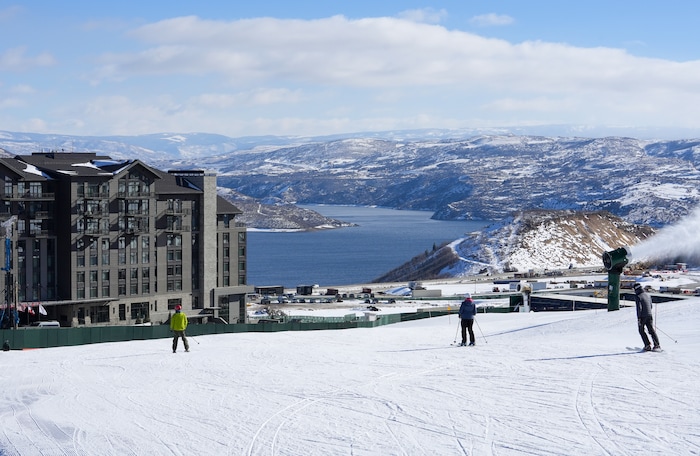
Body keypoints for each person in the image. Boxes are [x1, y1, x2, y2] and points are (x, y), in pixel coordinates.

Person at [633, 283, 660, 351]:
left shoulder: (638, 296)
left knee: (641, 330)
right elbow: (650, 306)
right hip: (649, 314)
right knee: (651, 330)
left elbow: (639, 308)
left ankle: (647, 345)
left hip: (642, 316)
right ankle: (657, 345)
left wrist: (639, 318)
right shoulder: (648, 295)